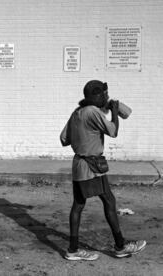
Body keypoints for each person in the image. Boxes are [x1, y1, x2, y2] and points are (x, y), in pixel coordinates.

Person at [60, 80, 146, 261]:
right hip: (92, 166)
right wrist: (114, 112)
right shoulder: (92, 111)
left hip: (78, 165)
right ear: (96, 96)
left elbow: (64, 139)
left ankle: (73, 250)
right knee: (109, 200)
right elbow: (113, 131)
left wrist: (84, 137)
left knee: (78, 205)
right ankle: (121, 246)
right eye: (105, 95)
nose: (107, 98)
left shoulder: (77, 112)